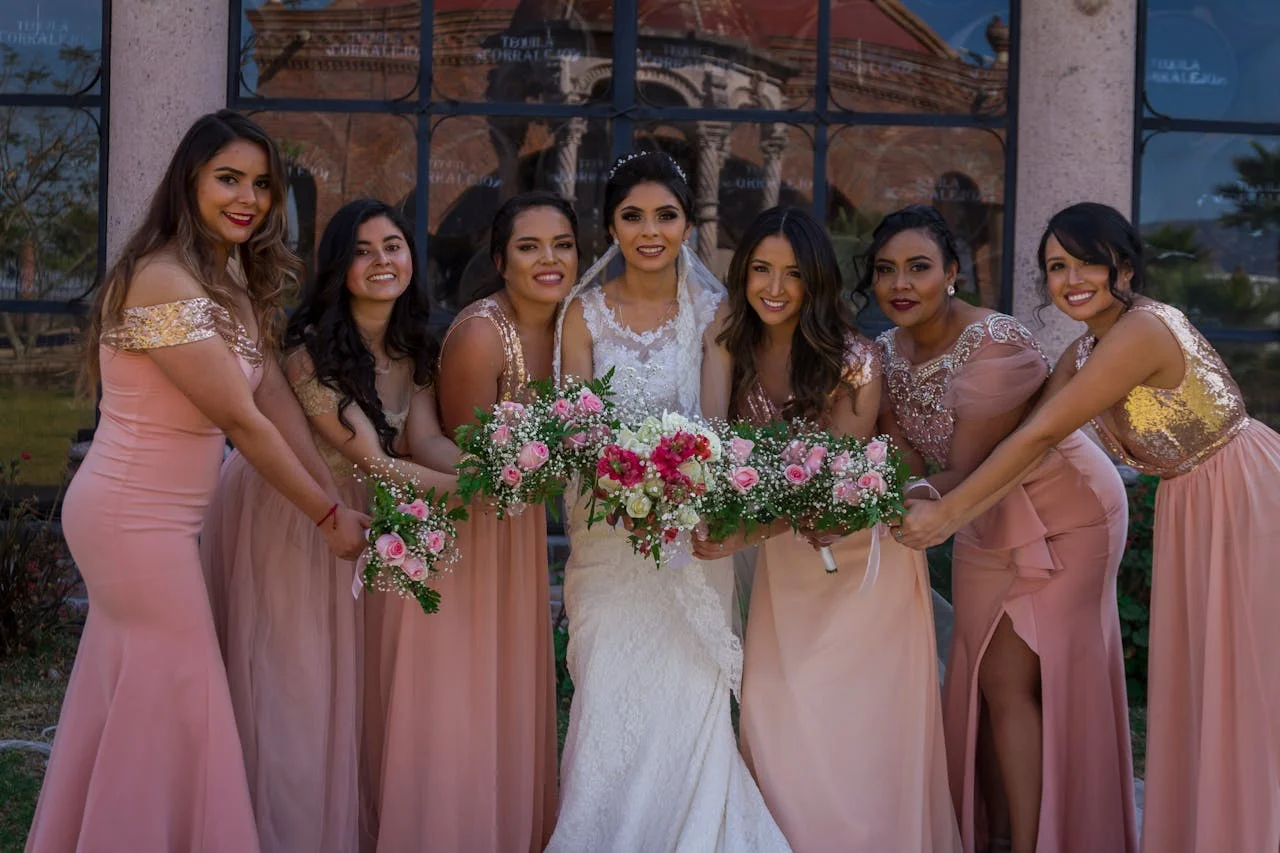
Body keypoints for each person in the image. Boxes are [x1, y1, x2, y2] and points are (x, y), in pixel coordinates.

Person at [24, 110, 367, 853]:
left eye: (262, 185)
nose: (248, 198)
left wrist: (335, 495)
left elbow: (273, 396)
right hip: (129, 517)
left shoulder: (229, 277)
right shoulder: (161, 278)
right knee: (183, 691)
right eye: (228, 179)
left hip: (166, 521)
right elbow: (240, 420)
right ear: (190, 181)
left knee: (137, 693)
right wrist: (324, 518)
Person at [898, 201, 1280, 853]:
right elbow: (1025, 437)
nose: (1071, 279)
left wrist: (949, 517)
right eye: (1056, 266)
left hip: (1241, 493)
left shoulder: (1142, 330)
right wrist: (934, 490)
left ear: (1123, 268)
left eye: (1087, 263)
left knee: (1247, 678)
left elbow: (1043, 433)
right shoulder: (1085, 350)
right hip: (1192, 500)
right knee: (1206, 681)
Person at [866, 204, 1135, 853]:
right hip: (978, 512)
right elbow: (908, 462)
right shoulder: (883, 353)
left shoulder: (996, 343)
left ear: (952, 272)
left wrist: (886, 501)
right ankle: (994, 832)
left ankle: (1032, 841)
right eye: (885, 269)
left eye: (919, 267)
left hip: (1064, 510)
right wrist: (864, 493)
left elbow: (967, 468)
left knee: (1010, 681)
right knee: (980, 678)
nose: (900, 283)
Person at [696, 205, 961, 853]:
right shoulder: (733, 346)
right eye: (760, 270)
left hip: (855, 559)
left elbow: (827, 485)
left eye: (793, 273)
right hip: (783, 565)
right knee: (776, 710)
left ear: (817, 280)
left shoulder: (855, 359)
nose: (774, 288)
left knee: (855, 729)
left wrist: (741, 535)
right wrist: (717, 351)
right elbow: (711, 447)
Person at [548, 150, 789, 852]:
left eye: (666, 216)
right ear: (611, 227)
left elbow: (713, 424)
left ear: (688, 224)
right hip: (607, 536)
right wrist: (620, 485)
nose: (649, 231)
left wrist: (678, 488)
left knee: (688, 694)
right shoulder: (582, 314)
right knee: (607, 691)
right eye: (633, 216)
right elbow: (577, 429)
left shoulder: (714, 312)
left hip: (689, 528)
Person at [201, 198, 456, 853]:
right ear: (338, 267)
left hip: (361, 509)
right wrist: (483, 492)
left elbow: (424, 440)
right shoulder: (308, 351)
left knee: (346, 680)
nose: (381, 261)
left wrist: (496, 466)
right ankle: (278, 833)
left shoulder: (415, 347)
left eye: (393, 246)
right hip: (294, 508)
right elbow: (373, 459)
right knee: (297, 677)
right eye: (362, 251)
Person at [365, 191, 574, 852]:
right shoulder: (482, 334)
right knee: (459, 691)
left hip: (517, 526)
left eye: (563, 245)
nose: (548, 259)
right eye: (529, 246)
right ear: (500, 261)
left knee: (506, 691)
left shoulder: (575, 325)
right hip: (465, 524)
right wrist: (513, 478)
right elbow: (453, 448)